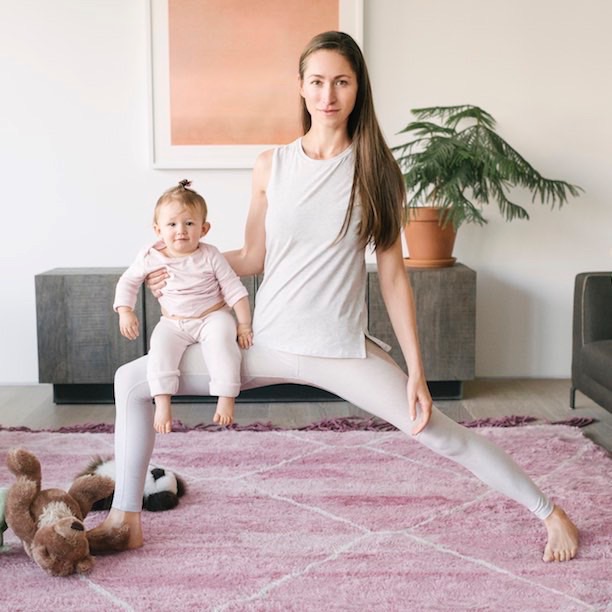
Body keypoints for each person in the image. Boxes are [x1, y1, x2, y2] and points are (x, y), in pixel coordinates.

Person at [93, 31, 579, 561]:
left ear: (357, 89)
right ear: (301, 88)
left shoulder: (377, 172)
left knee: (437, 432)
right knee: (131, 381)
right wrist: (181, 264)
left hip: (340, 348)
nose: (328, 95)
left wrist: (416, 369)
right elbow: (253, 256)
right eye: (318, 82)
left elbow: (394, 277)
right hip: (268, 339)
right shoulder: (270, 166)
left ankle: (551, 514)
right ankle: (126, 519)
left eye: (341, 82)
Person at [113, 180, 253, 433]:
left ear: (204, 228)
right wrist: (125, 310)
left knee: (223, 342)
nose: (181, 230)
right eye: (172, 224)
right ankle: (163, 401)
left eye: (189, 223)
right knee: (159, 349)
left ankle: (226, 396)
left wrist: (243, 324)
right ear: (158, 230)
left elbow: (235, 290)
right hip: (173, 321)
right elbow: (128, 281)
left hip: (212, 315)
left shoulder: (210, 255)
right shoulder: (149, 256)